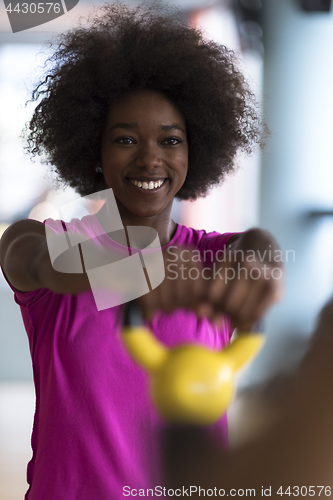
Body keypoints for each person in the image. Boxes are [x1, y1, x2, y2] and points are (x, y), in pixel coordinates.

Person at [0, 2, 282, 499]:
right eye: (126, 139)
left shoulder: (213, 258)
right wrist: (140, 270)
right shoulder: (44, 242)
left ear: (194, 152)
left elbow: (257, 249)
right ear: (95, 152)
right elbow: (36, 258)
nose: (150, 157)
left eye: (170, 140)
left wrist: (261, 256)